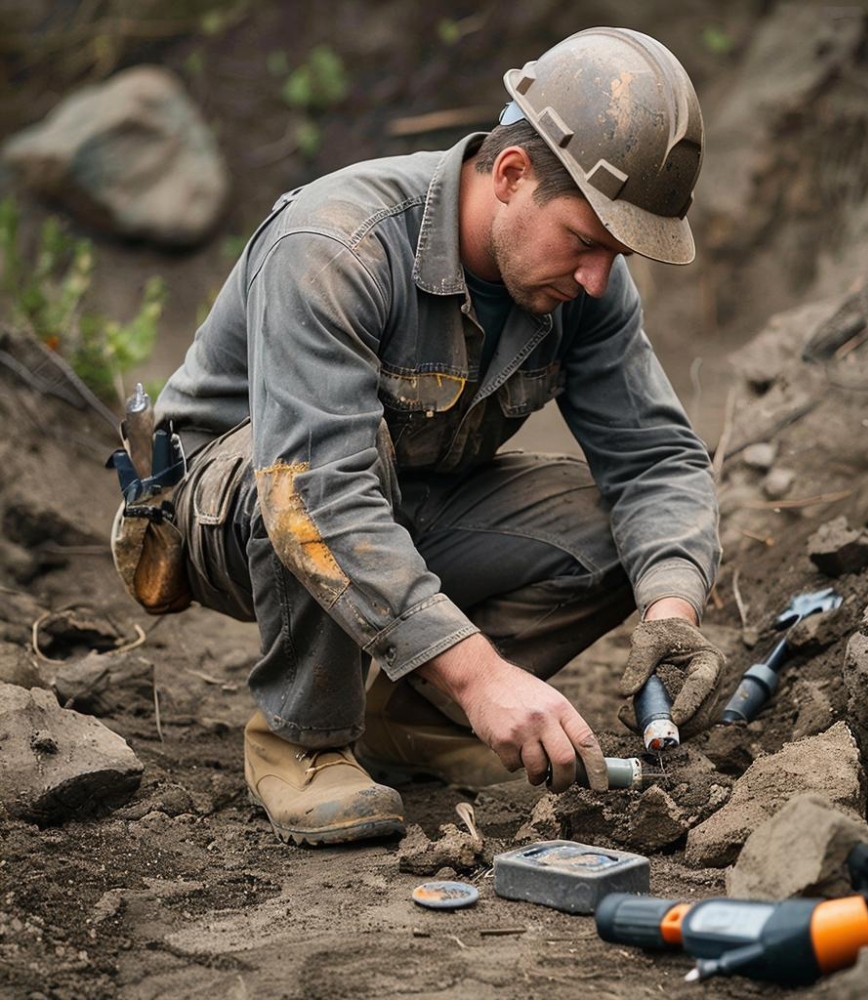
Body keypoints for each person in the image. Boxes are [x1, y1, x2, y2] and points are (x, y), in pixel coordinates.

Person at [139, 26, 725, 847]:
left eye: (616, 253)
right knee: (326, 474)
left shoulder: (586, 280)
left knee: (618, 532)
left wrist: (672, 606)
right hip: (229, 507)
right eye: (587, 243)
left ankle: (412, 719)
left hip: (396, 494)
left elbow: (656, 459)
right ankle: (303, 737)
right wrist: (484, 675)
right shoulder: (336, 245)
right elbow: (316, 491)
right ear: (513, 174)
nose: (599, 277)